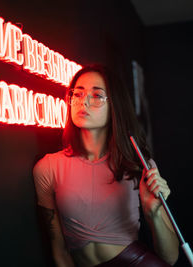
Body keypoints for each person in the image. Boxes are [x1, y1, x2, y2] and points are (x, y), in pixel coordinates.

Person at [33, 64, 179, 267]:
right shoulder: (48, 167)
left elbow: (170, 258)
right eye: (78, 93)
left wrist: (152, 213)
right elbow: (59, 249)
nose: (83, 102)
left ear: (115, 106)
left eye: (97, 96)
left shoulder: (139, 165)